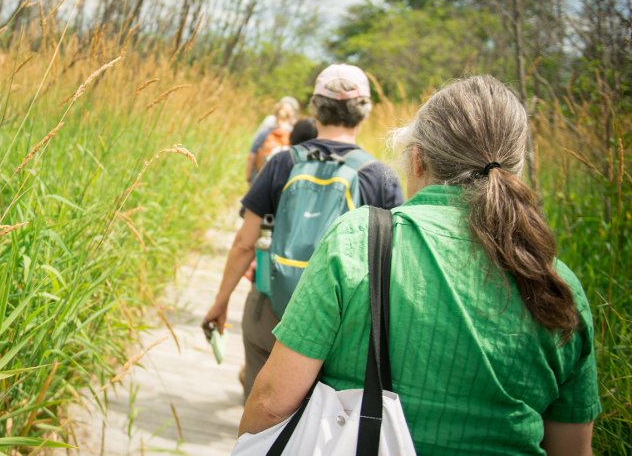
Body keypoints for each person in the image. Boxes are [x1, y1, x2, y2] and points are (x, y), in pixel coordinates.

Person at [241, 76, 600, 455]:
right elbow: (573, 450)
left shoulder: (358, 240)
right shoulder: (558, 285)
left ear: (417, 158)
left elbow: (270, 404)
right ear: (515, 168)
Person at [205, 64, 403, 401]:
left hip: (270, 309)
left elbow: (243, 243)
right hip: (340, 328)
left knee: (259, 418)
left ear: (315, 107)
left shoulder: (283, 163)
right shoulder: (381, 177)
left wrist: (220, 303)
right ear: (365, 112)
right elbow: (395, 264)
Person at [245, 97, 299, 183]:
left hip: (260, 177)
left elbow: (253, 153)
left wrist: (248, 176)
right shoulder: (295, 134)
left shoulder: (267, 129)